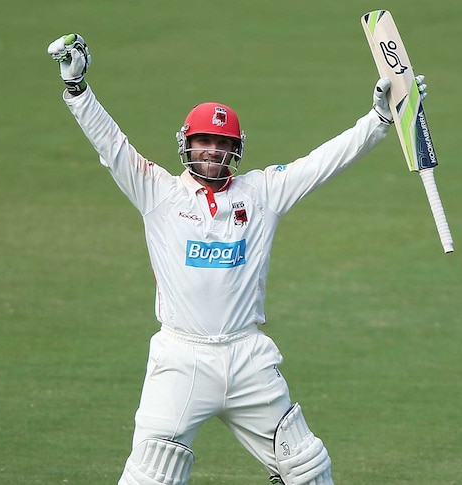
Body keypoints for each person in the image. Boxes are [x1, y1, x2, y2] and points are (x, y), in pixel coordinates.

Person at [46, 33, 427, 485]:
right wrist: (77, 90)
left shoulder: (262, 192)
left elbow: (324, 161)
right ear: (187, 143)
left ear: (235, 149)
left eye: (221, 143)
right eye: (204, 141)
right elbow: (112, 145)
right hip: (181, 359)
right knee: (150, 476)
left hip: (248, 358)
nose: (212, 150)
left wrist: (380, 118)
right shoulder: (158, 193)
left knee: (305, 467)